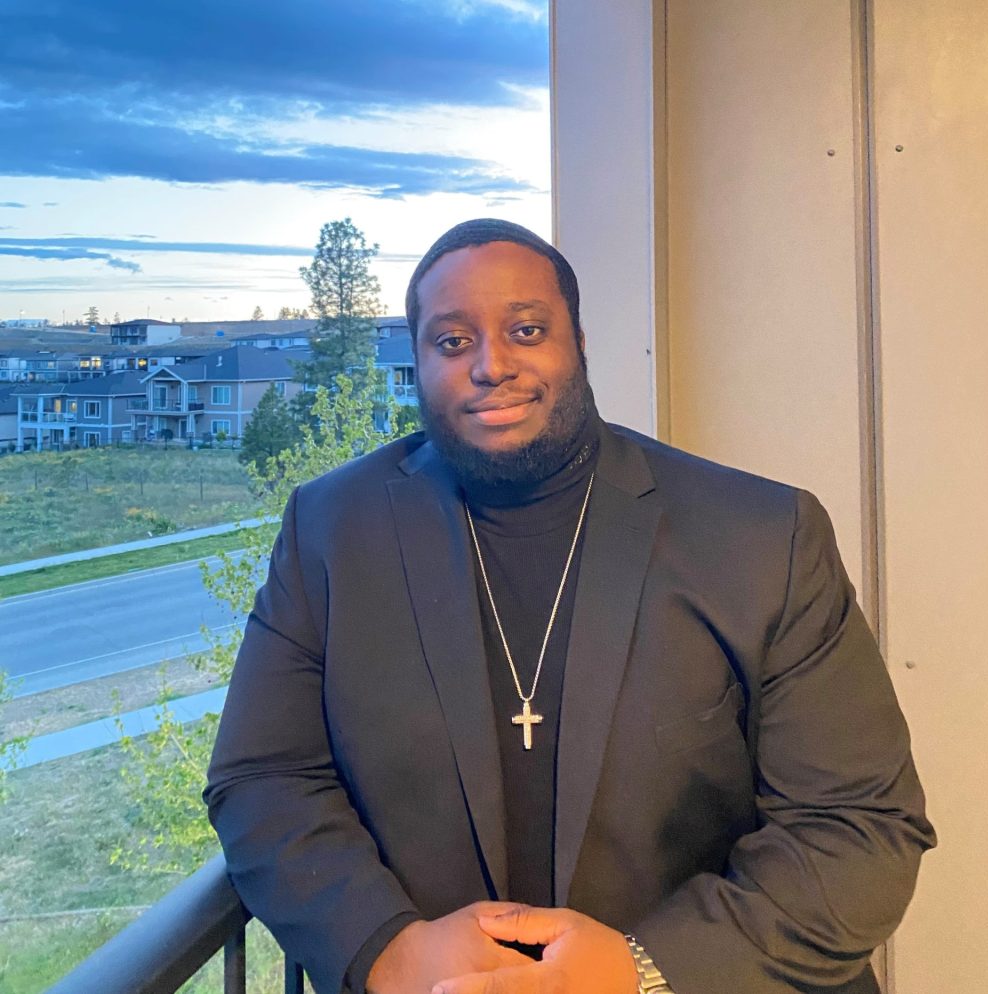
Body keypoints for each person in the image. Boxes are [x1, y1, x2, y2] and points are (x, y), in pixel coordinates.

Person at [204, 219, 935, 994]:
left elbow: (860, 825)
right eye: (452, 342)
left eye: (526, 330)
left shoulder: (763, 536)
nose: (491, 365)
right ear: (416, 364)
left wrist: (641, 971)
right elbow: (262, 776)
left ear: (578, 343)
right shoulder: (329, 529)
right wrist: (384, 949)